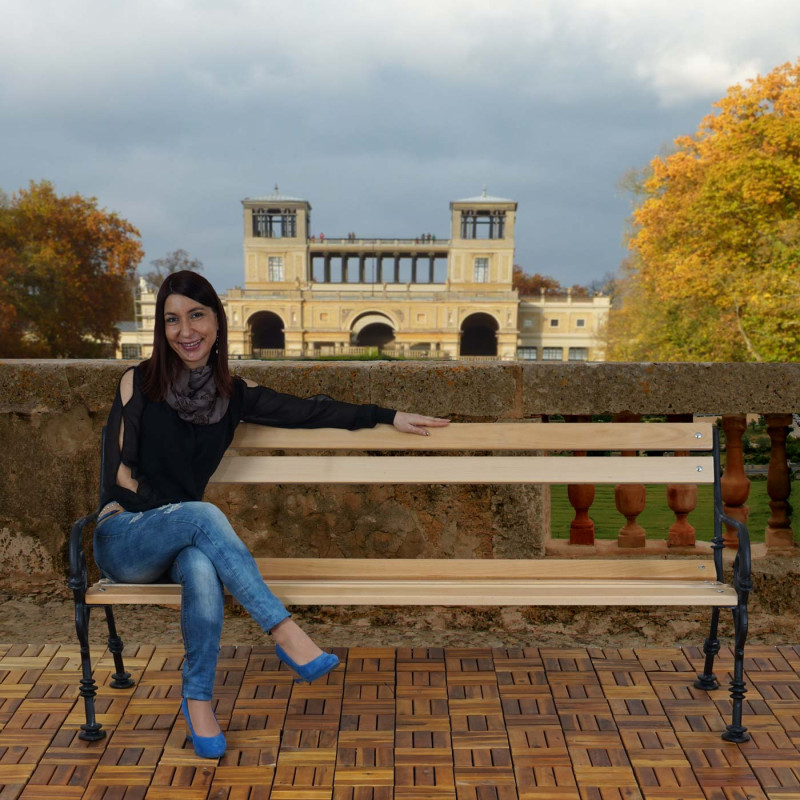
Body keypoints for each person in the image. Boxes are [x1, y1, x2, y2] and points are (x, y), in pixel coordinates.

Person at [94, 270, 449, 758]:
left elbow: (310, 411)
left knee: (201, 565)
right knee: (200, 515)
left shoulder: (233, 395)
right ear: (162, 328)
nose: (186, 330)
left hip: (185, 542)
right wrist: (178, 515)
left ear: (217, 322)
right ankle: (286, 633)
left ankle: (198, 703)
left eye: (196, 315)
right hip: (125, 534)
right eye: (172, 320)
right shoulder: (138, 381)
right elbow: (120, 477)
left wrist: (386, 416)